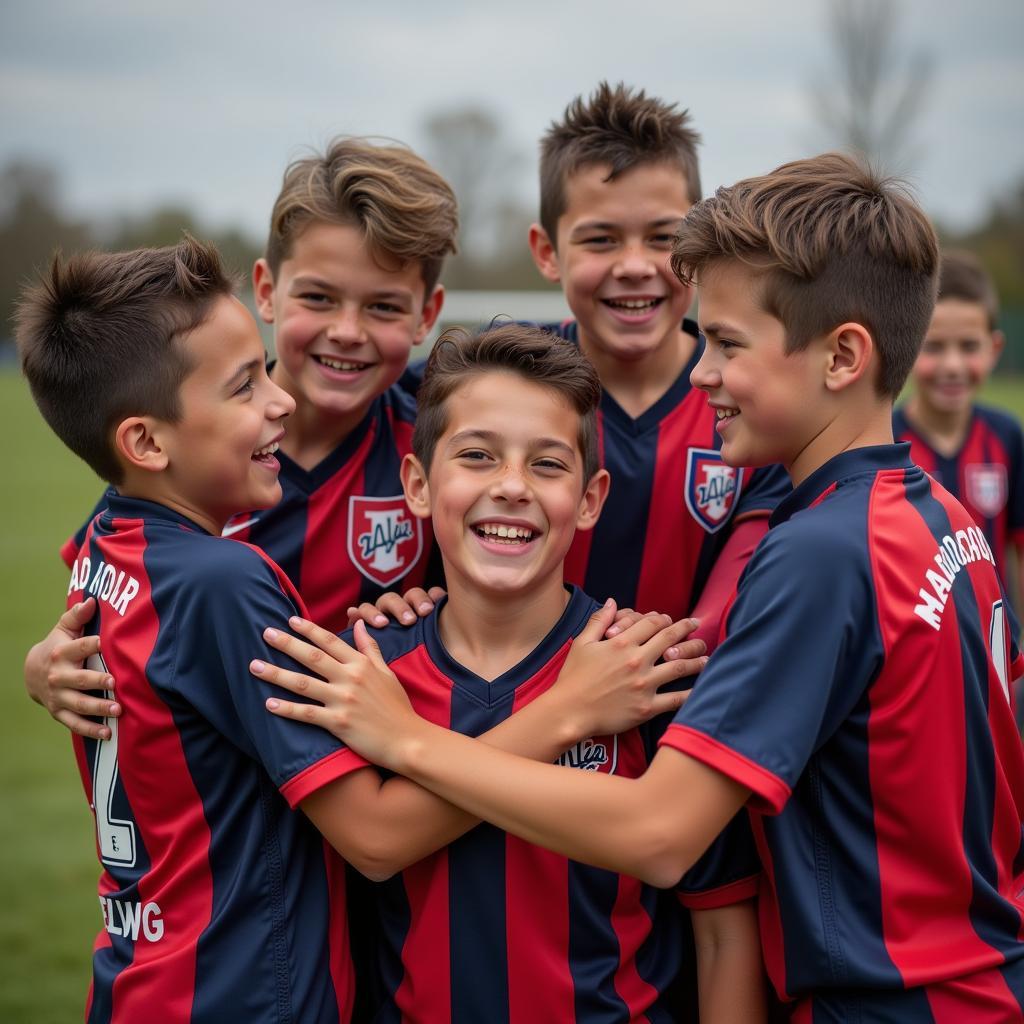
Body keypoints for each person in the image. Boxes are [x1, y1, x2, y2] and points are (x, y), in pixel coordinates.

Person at [263, 154, 1024, 1019]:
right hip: (976, 974)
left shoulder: (823, 552)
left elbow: (661, 834)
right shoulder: (940, 516)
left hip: (894, 999)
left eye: (728, 344)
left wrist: (406, 744)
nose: (701, 371)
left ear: (844, 355)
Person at [17, 239, 702, 1022]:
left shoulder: (108, 542)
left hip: (140, 973)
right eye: (246, 385)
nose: (279, 400)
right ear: (145, 441)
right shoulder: (224, 579)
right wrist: (570, 711)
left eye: (267, 372)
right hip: (241, 991)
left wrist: (38, 663)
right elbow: (375, 838)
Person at [253, 322, 766, 1022]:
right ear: (418, 484)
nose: (513, 487)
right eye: (477, 456)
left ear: (589, 499)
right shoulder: (361, 674)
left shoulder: (644, 674)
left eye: (549, 465)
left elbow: (722, 929)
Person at [383, 82, 788, 648]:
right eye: (600, 239)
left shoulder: (750, 401)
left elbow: (723, 617)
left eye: (662, 238)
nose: (634, 266)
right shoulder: (482, 379)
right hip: (488, 714)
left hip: (680, 714)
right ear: (547, 251)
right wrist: (398, 590)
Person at [894, 249, 1023, 612]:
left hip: (994, 651)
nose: (952, 365)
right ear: (908, 346)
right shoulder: (883, 441)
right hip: (916, 649)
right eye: (934, 347)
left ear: (994, 348)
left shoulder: (1007, 437)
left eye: (969, 347)